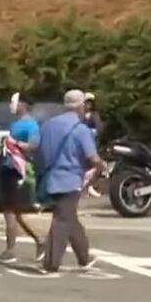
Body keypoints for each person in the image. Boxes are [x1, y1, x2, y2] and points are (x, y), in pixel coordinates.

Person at [37, 90, 102, 273]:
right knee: (62, 220)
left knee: (68, 216)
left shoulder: (48, 125)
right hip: (70, 179)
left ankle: (84, 257)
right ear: (81, 106)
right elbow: (92, 157)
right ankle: (51, 263)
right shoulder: (80, 129)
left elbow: (39, 151)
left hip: (50, 178)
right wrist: (100, 167)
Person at [0, 93, 45, 264]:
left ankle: (10, 250)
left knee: (10, 211)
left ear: (23, 105)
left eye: (14, 102)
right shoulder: (15, 123)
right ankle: (40, 241)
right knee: (14, 213)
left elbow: (34, 145)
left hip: (18, 170)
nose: (12, 106)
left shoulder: (31, 125)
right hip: (8, 168)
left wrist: (15, 144)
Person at [82, 92, 103, 197]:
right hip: (81, 144)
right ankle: (85, 187)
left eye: (90, 103)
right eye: (86, 103)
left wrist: (91, 132)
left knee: (94, 165)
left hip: (92, 143)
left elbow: (99, 128)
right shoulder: (80, 115)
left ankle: (90, 186)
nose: (88, 105)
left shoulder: (95, 115)